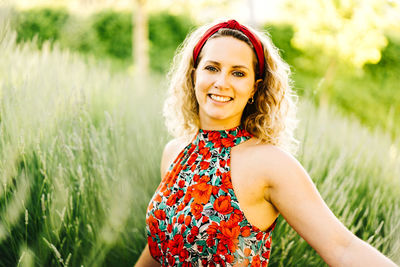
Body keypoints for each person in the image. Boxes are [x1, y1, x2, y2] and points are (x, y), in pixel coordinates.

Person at [135, 19, 398, 267]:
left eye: (238, 73)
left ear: (254, 88)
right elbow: (159, 248)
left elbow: (343, 247)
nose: (221, 82)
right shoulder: (174, 152)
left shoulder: (269, 163)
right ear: (194, 75)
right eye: (212, 68)